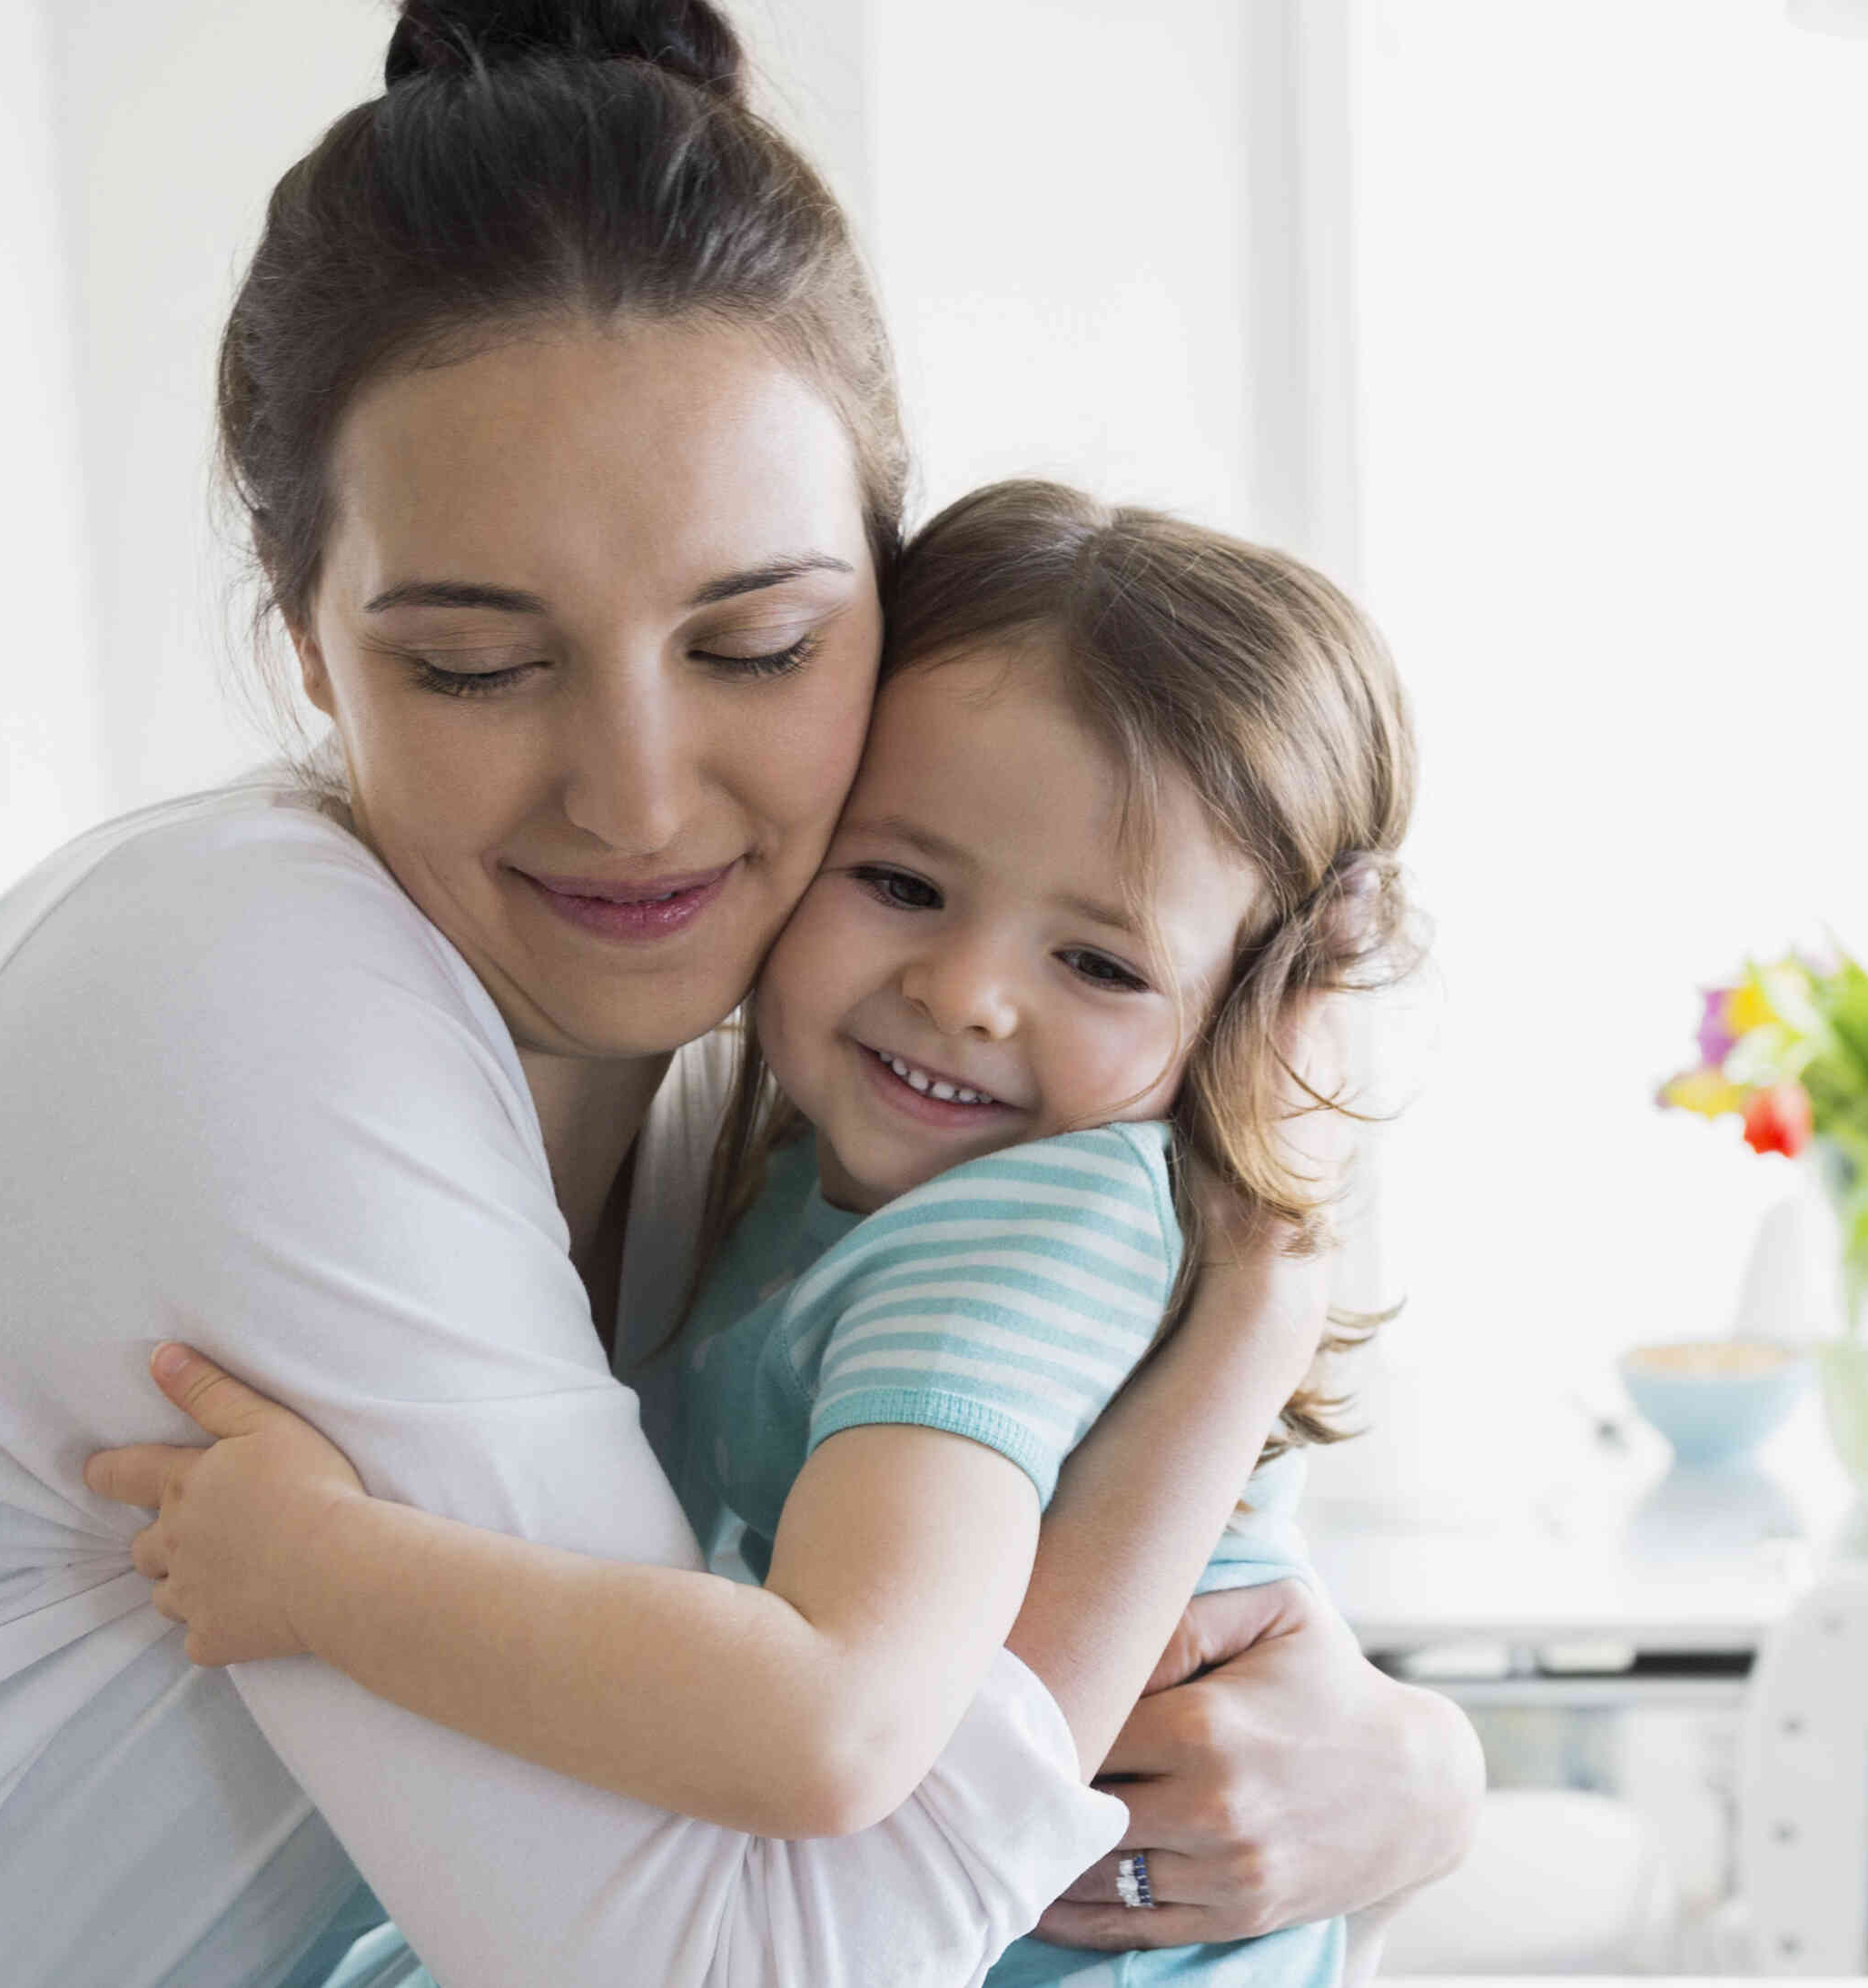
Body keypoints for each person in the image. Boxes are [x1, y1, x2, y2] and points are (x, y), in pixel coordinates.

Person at [0, 6, 1478, 1983]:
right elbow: (762, 1952)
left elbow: (907, 1618)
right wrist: (1254, 1336)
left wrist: (1403, 1770)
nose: (644, 794)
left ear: (885, 604)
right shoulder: (240, 1002)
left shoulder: (731, 1107)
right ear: (305, 648)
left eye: (756, 645)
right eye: (474, 661)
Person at [96, 478, 1416, 1987]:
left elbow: (834, 1722)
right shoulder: (838, 1179)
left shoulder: (1029, 1225)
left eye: (1100, 962)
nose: (969, 991)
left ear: (1244, 1019)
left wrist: (322, 1571)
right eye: (904, 882)